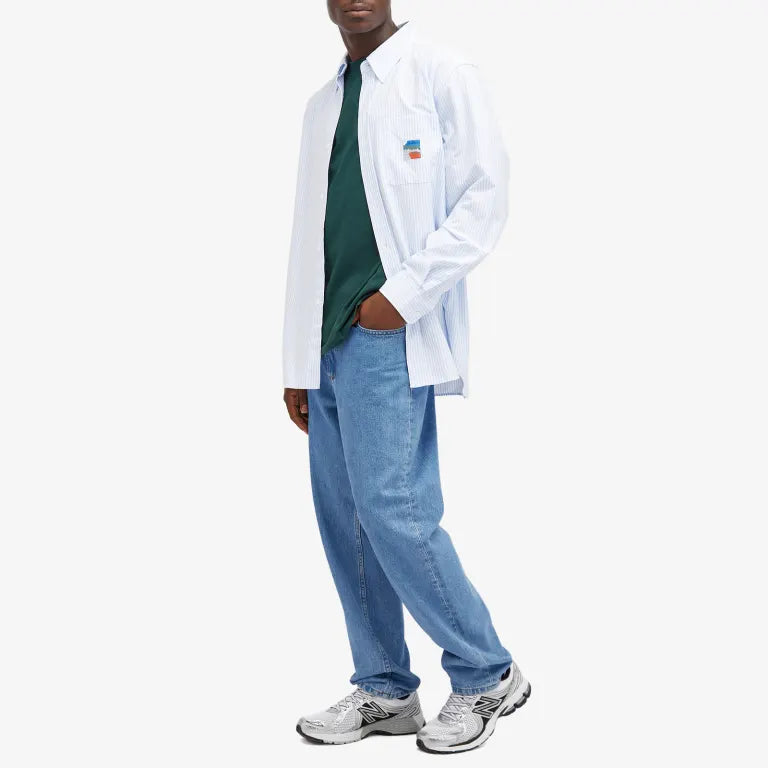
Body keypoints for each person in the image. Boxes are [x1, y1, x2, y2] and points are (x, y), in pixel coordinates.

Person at [282, 2, 530, 754]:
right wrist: (296, 358)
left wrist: (403, 297)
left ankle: (487, 671)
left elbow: (484, 199)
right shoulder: (322, 104)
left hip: (387, 332)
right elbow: (310, 234)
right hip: (326, 339)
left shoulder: (441, 73)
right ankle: (386, 688)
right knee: (344, 517)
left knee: (394, 510)